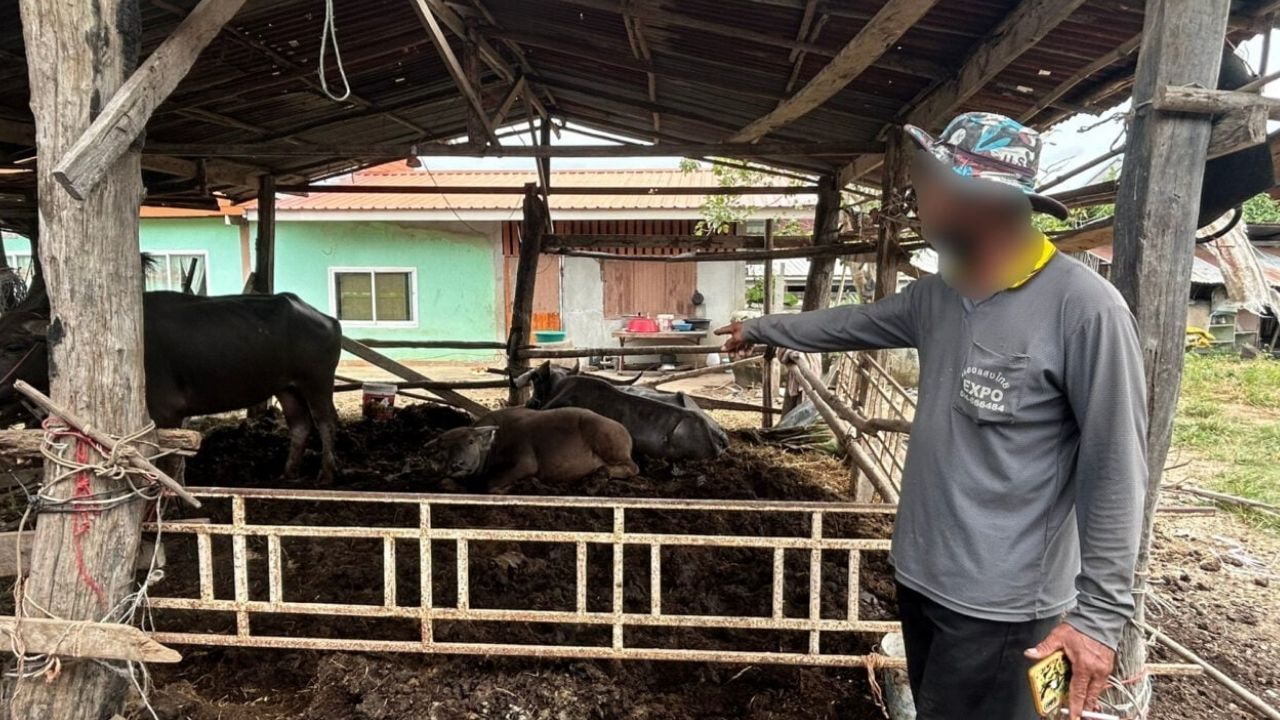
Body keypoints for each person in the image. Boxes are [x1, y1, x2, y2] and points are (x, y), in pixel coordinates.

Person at [716, 112, 1147, 720]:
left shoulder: (1085, 311)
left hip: (1004, 609)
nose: (917, 203)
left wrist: (1100, 618)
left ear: (974, 197)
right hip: (921, 576)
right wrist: (761, 327)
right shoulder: (941, 294)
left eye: (925, 185)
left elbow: (1117, 470)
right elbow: (848, 324)